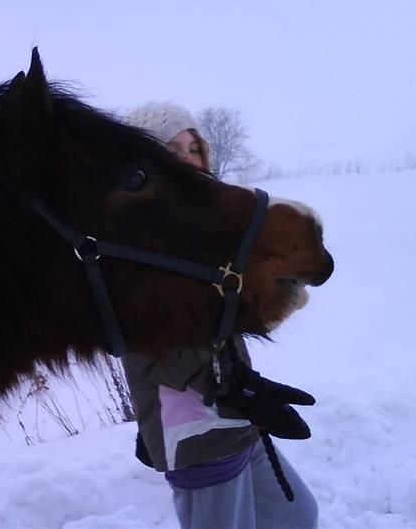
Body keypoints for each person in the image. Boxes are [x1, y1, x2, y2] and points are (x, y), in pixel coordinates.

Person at [123, 102, 319, 529]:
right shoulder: (134, 244)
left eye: (193, 147)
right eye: (172, 148)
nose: (188, 158)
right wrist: (236, 389)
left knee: (296, 517)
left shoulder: (198, 233)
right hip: (196, 432)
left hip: (233, 417)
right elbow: (142, 343)